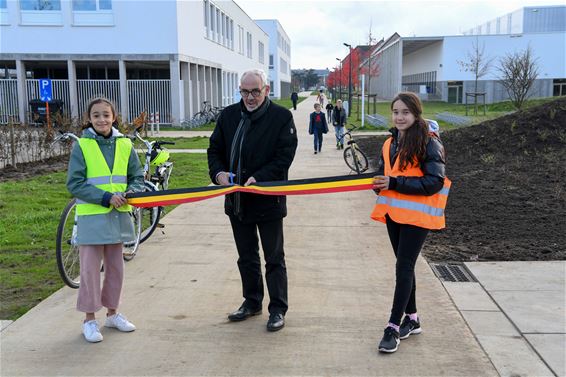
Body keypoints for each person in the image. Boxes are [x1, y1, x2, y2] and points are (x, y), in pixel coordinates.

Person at [207, 69, 298, 332]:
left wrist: (260, 177)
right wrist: (219, 173)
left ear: (266, 90)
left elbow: (284, 156)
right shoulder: (229, 116)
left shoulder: (281, 117)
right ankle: (252, 302)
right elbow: (214, 149)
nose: (249, 97)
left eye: (255, 91)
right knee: (246, 256)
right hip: (237, 202)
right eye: (244, 92)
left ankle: (278, 309)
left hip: (267, 200)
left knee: (274, 258)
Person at [370, 92, 450, 353]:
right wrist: (379, 184)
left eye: (405, 112)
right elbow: (386, 174)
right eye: (395, 112)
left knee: (403, 267)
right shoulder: (390, 143)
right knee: (404, 266)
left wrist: (394, 183)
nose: (400, 116)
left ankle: (393, 326)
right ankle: (412, 319)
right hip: (394, 215)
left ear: (416, 113)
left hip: (418, 216)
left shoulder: (429, 142)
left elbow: (434, 182)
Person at [66, 97, 145, 343]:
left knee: (116, 269)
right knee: (90, 271)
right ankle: (89, 320)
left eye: (106, 115)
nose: (102, 119)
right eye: (96, 115)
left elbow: (137, 176)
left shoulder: (125, 144)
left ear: (114, 117)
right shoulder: (82, 146)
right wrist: (107, 197)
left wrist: (131, 191)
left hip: (118, 216)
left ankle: (112, 314)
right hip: (93, 217)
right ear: (89, 119)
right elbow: (75, 183)